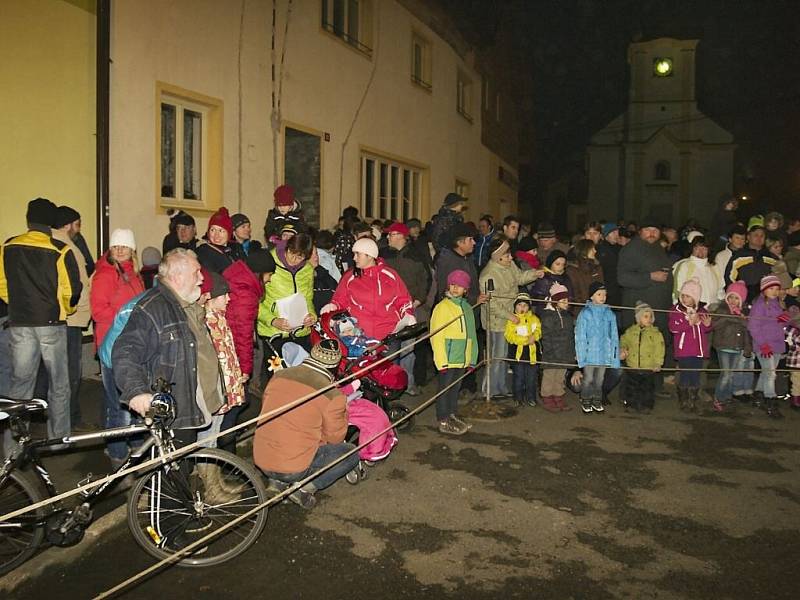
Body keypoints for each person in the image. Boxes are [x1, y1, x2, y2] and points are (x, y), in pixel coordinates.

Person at [0, 198, 82, 452]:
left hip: (20, 323)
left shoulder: (8, 246)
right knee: (59, 384)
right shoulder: (60, 249)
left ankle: (13, 447)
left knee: (19, 386)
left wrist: (17, 306)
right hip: (51, 324)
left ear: (29, 219)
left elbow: (3, 285)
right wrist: (64, 310)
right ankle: (58, 442)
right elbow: (71, 290)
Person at [112, 249, 222, 435]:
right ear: (178, 277)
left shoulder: (187, 304)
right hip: (175, 412)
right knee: (177, 463)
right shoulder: (153, 308)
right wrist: (136, 391)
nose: (202, 278)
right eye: (196, 272)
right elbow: (125, 351)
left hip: (192, 407)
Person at [253, 340, 360, 509]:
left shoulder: (279, 376)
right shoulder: (333, 395)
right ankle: (303, 489)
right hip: (294, 466)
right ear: (335, 366)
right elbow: (336, 438)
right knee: (350, 453)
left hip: (261, 457)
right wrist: (344, 412)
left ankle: (276, 482)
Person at [90, 229, 146, 465]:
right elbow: (98, 311)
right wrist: (126, 316)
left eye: (124, 246)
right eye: (115, 246)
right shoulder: (105, 274)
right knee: (118, 405)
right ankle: (117, 455)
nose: (120, 249)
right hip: (112, 346)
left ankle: (134, 445)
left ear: (132, 249)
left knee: (132, 398)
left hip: (131, 346)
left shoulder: (135, 274)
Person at [479, 239, 543, 398]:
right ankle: (490, 390)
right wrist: (511, 316)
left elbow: (520, 278)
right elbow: (491, 304)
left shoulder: (508, 265)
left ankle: (501, 387)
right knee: (497, 356)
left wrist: (534, 273)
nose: (511, 258)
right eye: (507, 256)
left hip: (511, 317)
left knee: (504, 355)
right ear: (497, 258)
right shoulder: (488, 276)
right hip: (496, 320)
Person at [325, 237, 415, 341]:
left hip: (389, 335)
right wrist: (333, 306)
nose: (354, 258)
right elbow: (340, 299)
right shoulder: (350, 277)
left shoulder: (390, 275)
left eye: (358, 254)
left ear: (370, 256)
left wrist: (407, 314)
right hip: (358, 335)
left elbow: (402, 299)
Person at [51, 205, 92, 430]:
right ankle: (71, 422)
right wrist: (73, 308)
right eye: (77, 225)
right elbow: (75, 285)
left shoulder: (52, 242)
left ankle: (61, 421)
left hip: (58, 319)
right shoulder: (67, 246)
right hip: (70, 319)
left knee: (57, 373)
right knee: (69, 373)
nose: (78, 230)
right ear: (68, 225)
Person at [380, 222, 430, 395]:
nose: (388, 237)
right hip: (388, 311)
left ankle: (408, 383)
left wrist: (418, 300)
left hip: (410, 309)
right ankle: (391, 384)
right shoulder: (383, 255)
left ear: (401, 236)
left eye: (391, 234)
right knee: (390, 350)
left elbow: (426, 280)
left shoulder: (416, 255)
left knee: (408, 349)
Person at [429, 270, 478, 435]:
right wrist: (441, 361)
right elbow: (436, 335)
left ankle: (452, 414)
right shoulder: (442, 307)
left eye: (460, 286)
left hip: (462, 357)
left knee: (455, 388)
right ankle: (443, 419)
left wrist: (472, 358)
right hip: (448, 358)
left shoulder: (467, 308)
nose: (456, 288)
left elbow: (472, 334)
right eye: (453, 284)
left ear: (466, 289)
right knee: (445, 389)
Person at [256, 233, 316, 355]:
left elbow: (308, 299)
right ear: (287, 247)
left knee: (300, 372)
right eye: (291, 253)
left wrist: (311, 315)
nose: (293, 260)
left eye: (300, 257)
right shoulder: (268, 263)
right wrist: (272, 320)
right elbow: (254, 300)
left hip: (300, 332)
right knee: (278, 373)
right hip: (273, 333)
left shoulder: (308, 270)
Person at [574, 282, 619, 413]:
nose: (602, 297)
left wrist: (613, 355)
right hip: (590, 353)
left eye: (604, 294)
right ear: (592, 297)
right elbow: (580, 334)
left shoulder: (609, 314)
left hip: (604, 354)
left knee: (600, 379)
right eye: (599, 294)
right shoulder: (585, 313)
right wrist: (581, 353)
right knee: (588, 378)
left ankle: (597, 399)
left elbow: (614, 335)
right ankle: (586, 398)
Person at [668, 278, 712, 413]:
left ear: (695, 298)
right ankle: (683, 399)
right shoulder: (676, 310)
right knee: (686, 374)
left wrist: (707, 325)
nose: (685, 299)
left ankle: (692, 400)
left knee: (695, 375)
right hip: (684, 350)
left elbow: (705, 329)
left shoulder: (702, 310)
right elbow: (673, 328)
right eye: (683, 295)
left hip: (698, 350)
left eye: (688, 296)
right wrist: (689, 323)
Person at [747, 275, 787, 419]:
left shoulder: (777, 303)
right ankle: (771, 402)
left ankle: (758, 396)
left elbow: (779, 324)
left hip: (776, 344)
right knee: (771, 374)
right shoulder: (759, 305)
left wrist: (785, 319)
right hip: (764, 345)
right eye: (771, 288)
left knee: (766, 373)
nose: (775, 291)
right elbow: (753, 326)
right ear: (764, 289)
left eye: (777, 289)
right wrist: (762, 344)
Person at [711, 281, 753, 412]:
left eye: (737, 298)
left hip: (736, 347)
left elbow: (747, 329)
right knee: (726, 374)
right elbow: (714, 325)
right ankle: (718, 398)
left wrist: (747, 348)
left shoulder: (743, 314)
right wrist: (730, 317)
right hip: (723, 346)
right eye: (731, 297)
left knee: (731, 374)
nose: (733, 301)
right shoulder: (722, 309)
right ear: (726, 297)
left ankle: (726, 396)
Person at [619, 302, 664, 414]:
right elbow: (623, 341)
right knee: (631, 387)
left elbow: (659, 349)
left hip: (648, 366)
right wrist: (623, 349)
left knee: (647, 387)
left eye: (650, 316)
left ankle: (646, 405)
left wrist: (658, 363)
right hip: (633, 365)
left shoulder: (655, 333)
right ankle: (631, 404)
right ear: (638, 318)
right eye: (645, 316)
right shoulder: (630, 331)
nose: (649, 319)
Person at [539, 283, 575, 412]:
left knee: (560, 376)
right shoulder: (548, 316)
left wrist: (571, 351)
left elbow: (570, 335)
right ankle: (547, 396)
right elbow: (547, 336)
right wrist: (549, 350)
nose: (566, 303)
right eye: (563, 300)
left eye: (567, 300)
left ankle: (558, 396)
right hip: (552, 353)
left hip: (564, 352)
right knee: (550, 375)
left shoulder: (567, 316)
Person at [504, 293, 542, 408]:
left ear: (529, 307)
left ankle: (531, 397)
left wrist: (534, 337)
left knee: (531, 378)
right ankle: (518, 397)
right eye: (519, 305)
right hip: (518, 354)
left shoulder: (534, 319)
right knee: (518, 377)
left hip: (532, 354)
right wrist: (524, 340)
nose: (522, 308)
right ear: (515, 306)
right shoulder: (512, 320)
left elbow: (538, 331)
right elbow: (509, 336)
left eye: (525, 305)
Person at [672, 236, 723, 306]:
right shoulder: (683, 266)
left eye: (704, 248)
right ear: (692, 249)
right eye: (697, 248)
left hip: (712, 311)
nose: (700, 252)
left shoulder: (714, 267)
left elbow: (720, 290)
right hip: (691, 311)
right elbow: (676, 291)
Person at [196, 207, 240, 272]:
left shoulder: (233, 252)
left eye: (221, 231)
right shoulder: (204, 252)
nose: (216, 235)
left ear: (229, 233)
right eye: (213, 230)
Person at [565, 239, 604, 313]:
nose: (595, 251)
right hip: (580, 312)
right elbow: (574, 293)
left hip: (597, 309)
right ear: (585, 250)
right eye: (592, 249)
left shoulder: (597, 267)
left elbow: (601, 288)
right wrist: (588, 303)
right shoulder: (572, 270)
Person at [530, 249, 572, 314]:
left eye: (563, 264)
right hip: (546, 314)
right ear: (550, 264)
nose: (560, 267)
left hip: (564, 313)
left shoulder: (566, 278)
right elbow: (537, 300)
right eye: (557, 264)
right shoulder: (544, 279)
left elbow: (571, 296)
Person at [596, 224, 622, 307]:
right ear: (606, 235)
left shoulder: (621, 249)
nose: (616, 234)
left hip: (619, 289)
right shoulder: (600, 250)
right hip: (607, 290)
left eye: (617, 232)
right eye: (612, 232)